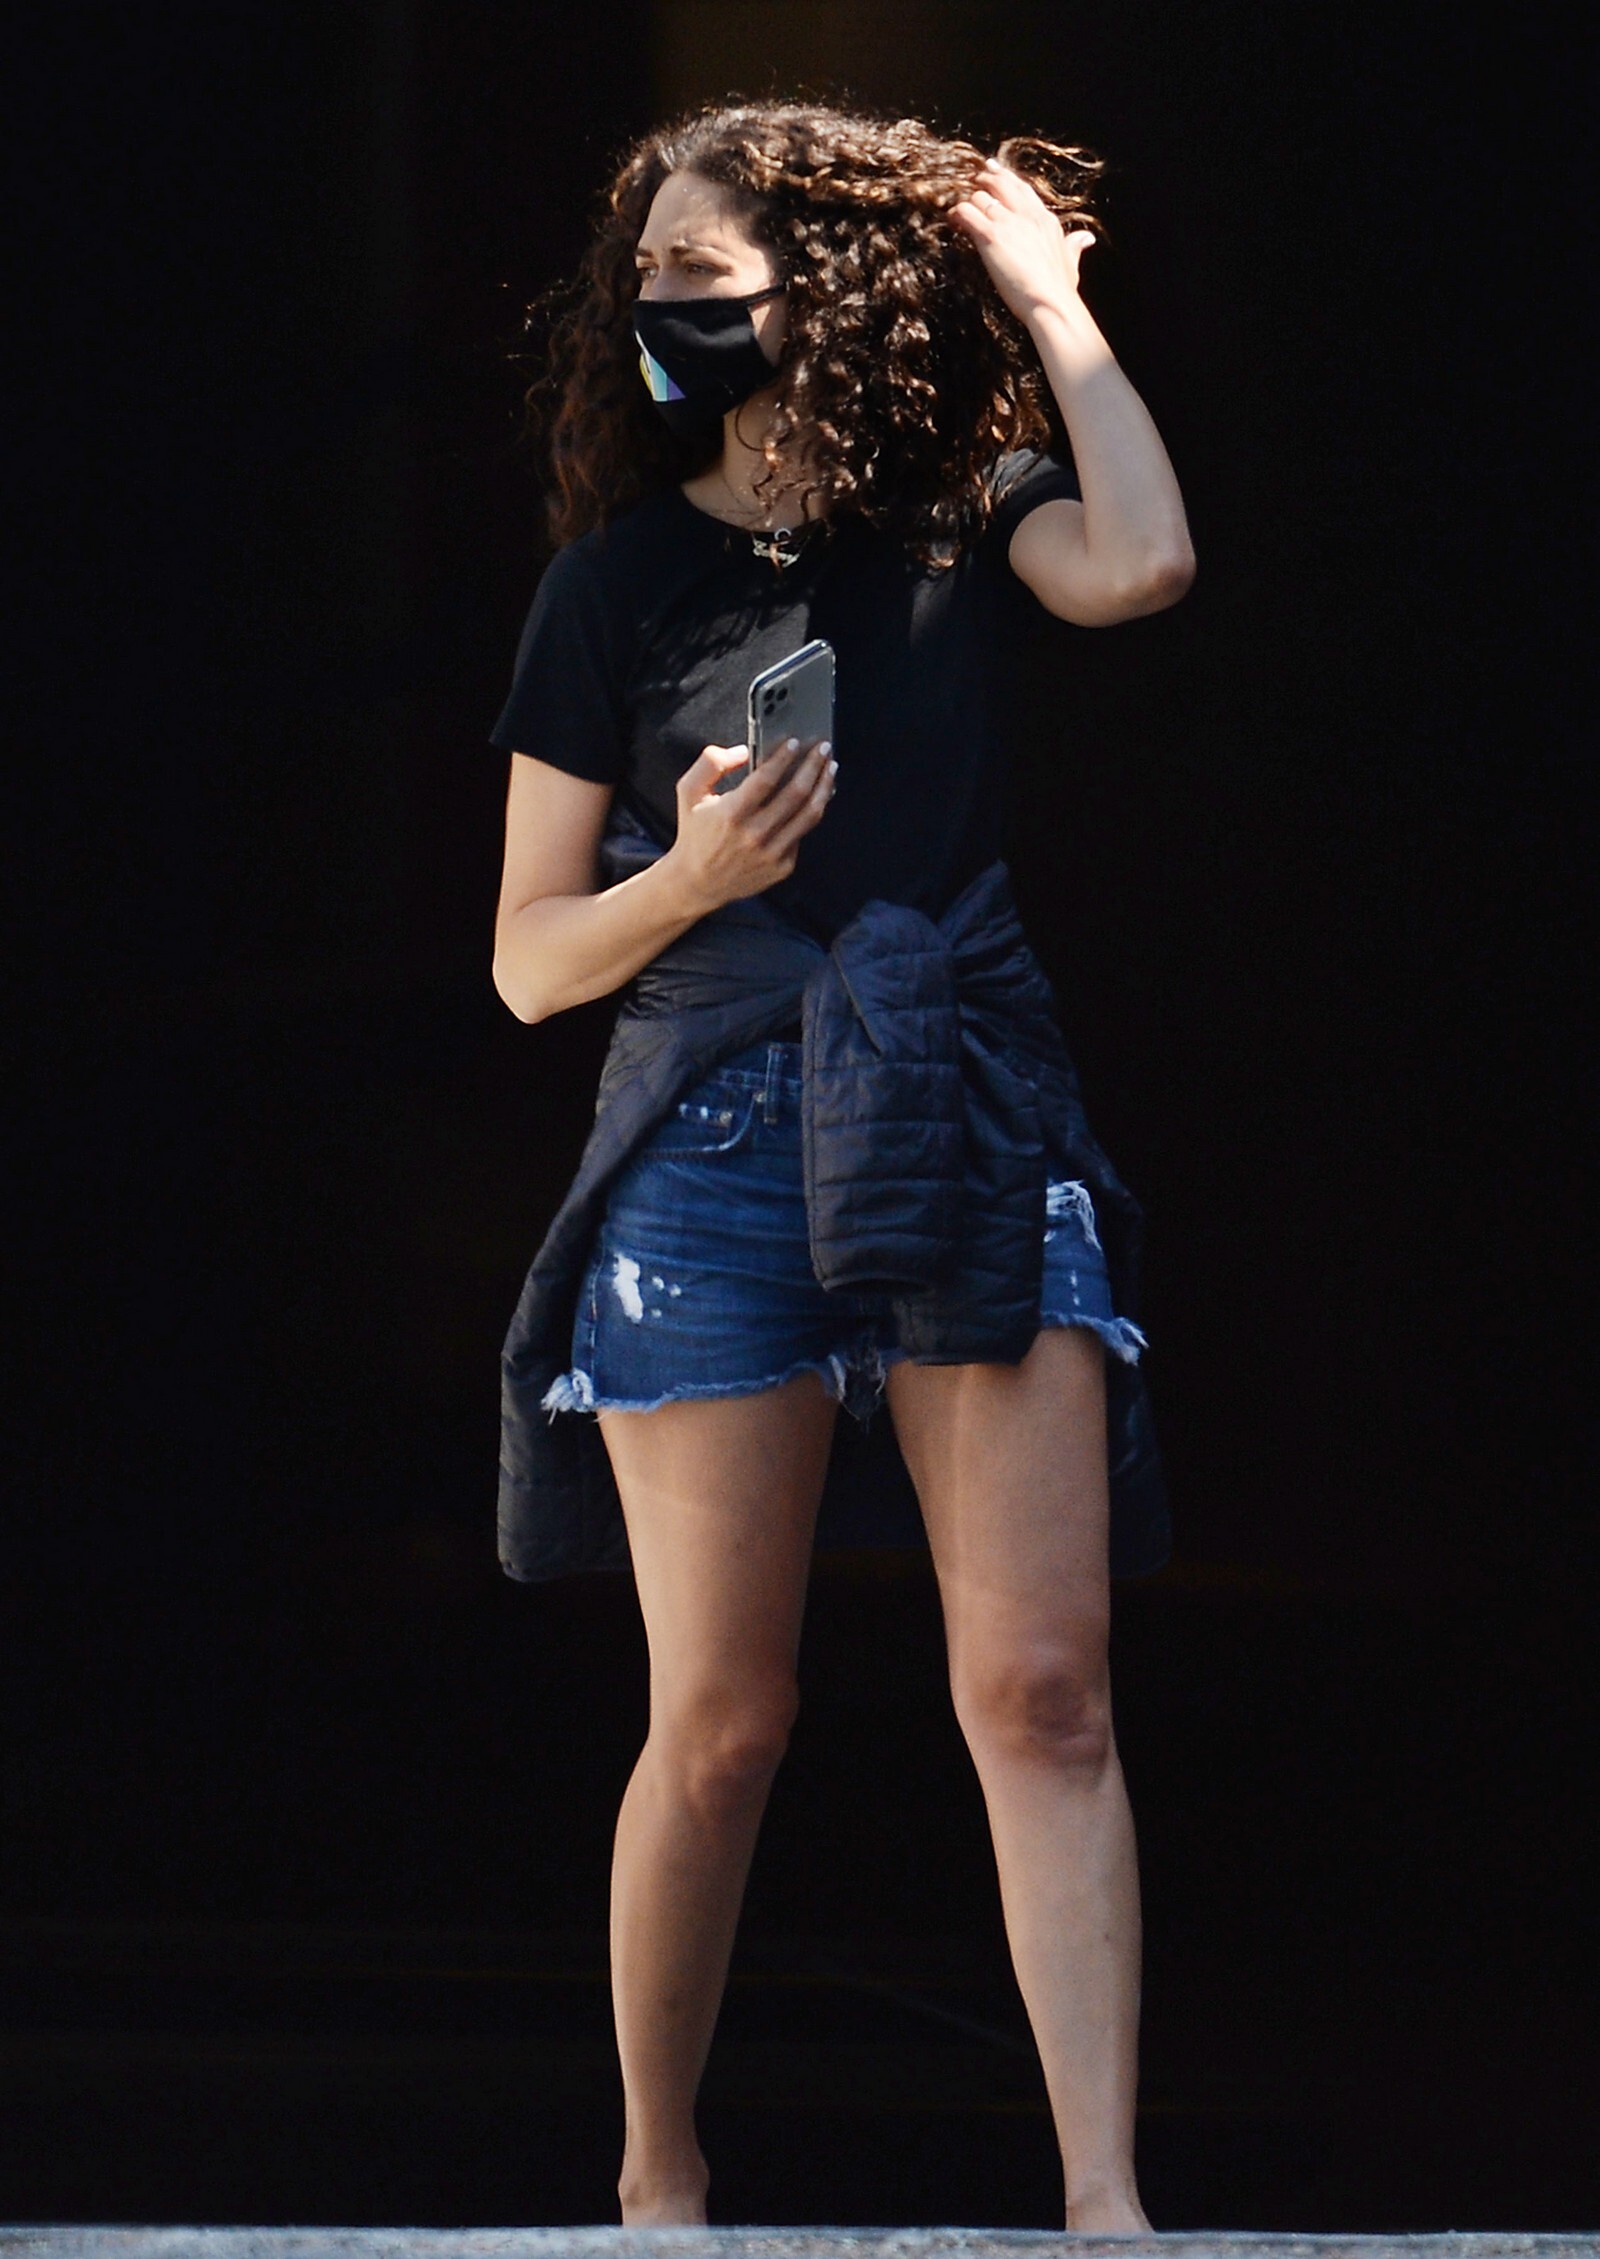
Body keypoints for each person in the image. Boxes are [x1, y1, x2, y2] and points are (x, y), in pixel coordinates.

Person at [487, 100, 1194, 2232]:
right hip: (708, 1132)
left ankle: (1103, 2201)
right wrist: (688, 877)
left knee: (1041, 1686)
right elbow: (527, 962)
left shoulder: (962, 510)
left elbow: (1142, 565)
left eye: (701, 280)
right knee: (721, 1715)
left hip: (958, 1094)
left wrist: (1050, 305)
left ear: (827, 298)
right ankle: (658, 2178)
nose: (660, 312)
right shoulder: (614, 586)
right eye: (646, 282)